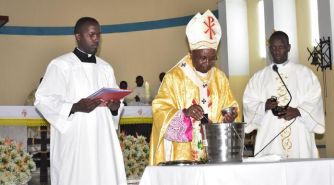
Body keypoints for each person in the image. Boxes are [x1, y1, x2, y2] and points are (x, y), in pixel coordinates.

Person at [35, 17, 127, 185]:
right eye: (91, 34)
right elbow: (43, 99)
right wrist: (74, 106)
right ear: (78, 36)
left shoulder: (106, 67)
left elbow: (115, 101)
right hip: (75, 136)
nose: (96, 39)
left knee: (104, 174)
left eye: (99, 35)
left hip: (102, 136)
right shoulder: (60, 65)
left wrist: (115, 107)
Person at [149, 10, 240, 165]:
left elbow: (231, 106)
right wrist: (184, 113)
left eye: (212, 59)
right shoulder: (174, 77)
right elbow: (159, 110)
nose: (208, 63)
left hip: (214, 149)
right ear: (191, 53)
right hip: (183, 152)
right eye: (203, 58)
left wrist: (230, 117)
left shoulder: (220, 78)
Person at [242, 31, 325, 158]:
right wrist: (264, 106)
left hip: (299, 137)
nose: (276, 51)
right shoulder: (259, 77)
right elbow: (249, 102)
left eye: (280, 47)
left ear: (288, 47)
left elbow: (315, 99)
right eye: (273, 47)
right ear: (269, 49)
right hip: (270, 138)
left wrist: (298, 111)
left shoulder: (305, 74)